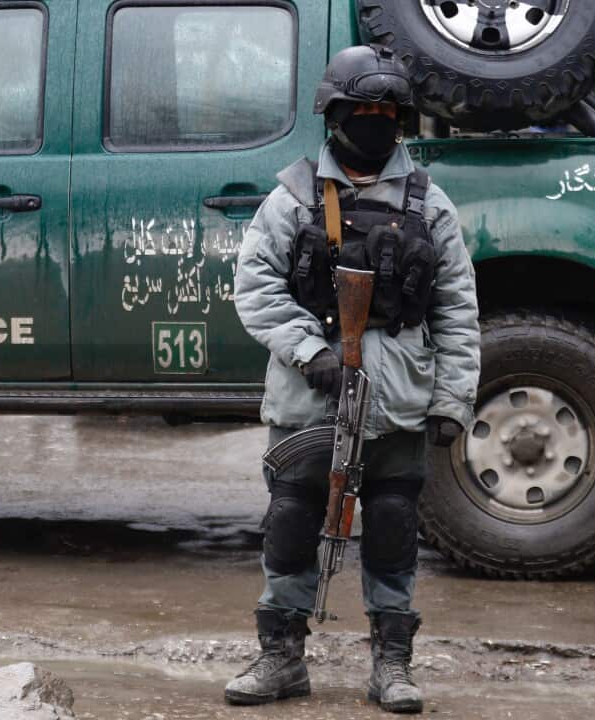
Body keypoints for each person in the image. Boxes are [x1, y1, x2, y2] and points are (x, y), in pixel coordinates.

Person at [228, 44, 481, 712]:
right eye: (360, 110)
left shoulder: (430, 205)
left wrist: (454, 398)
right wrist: (311, 352)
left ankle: (392, 665)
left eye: (385, 111)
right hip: (308, 395)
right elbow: (254, 289)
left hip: (399, 396)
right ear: (334, 115)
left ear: (400, 119)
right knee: (290, 520)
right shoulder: (293, 198)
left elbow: (457, 307)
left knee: (394, 523)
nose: (373, 121)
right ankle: (281, 657)